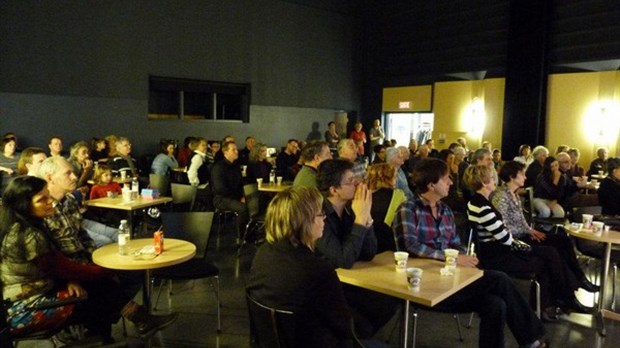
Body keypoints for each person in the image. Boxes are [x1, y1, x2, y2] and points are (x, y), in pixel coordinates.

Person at [393, 158, 548, 348]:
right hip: (424, 283)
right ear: (432, 184)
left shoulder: (445, 210)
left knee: (496, 305)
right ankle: (532, 340)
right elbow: (410, 245)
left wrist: (464, 257)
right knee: (499, 279)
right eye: (446, 178)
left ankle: (531, 341)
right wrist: (451, 257)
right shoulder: (409, 209)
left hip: (453, 278)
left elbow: (456, 243)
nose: (451, 182)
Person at [37, 157, 177, 335]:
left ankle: (110, 322)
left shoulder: (70, 201)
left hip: (82, 264)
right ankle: (129, 319)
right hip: (65, 272)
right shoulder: (42, 208)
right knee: (102, 286)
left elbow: (83, 236)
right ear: (50, 178)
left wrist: (96, 262)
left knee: (132, 273)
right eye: (68, 173)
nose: (74, 176)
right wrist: (74, 276)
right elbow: (50, 253)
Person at [0, 176, 122, 341]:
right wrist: (111, 269)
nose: (50, 201)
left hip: (17, 300)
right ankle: (102, 337)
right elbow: (66, 269)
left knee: (100, 286)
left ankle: (103, 335)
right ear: (24, 206)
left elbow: (58, 270)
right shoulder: (28, 236)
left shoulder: (16, 224)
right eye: (41, 199)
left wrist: (69, 280)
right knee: (104, 290)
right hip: (23, 311)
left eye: (48, 195)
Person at [465, 164, 591, 319]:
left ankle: (557, 301)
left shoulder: (479, 202)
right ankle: (565, 298)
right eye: (492, 178)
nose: (495, 181)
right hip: (498, 254)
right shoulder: (484, 206)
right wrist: (527, 248)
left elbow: (505, 232)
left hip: (499, 248)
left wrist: (528, 236)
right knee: (549, 254)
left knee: (550, 253)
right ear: (484, 183)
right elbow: (506, 238)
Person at [246, 186, 358, 347]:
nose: (324, 219)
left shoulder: (263, 253)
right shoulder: (318, 270)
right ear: (305, 222)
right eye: (320, 214)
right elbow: (345, 327)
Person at [315, 159, 398, 338]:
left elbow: (369, 253)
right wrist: (360, 221)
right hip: (322, 289)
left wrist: (366, 216)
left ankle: (354, 339)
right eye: (351, 181)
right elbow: (342, 260)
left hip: (346, 282)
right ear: (333, 190)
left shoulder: (349, 210)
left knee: (388, 303)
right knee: (365, 321)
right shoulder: (318, 216)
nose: (359, 184)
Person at [492, 160, 599, 292]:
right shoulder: (501, 196)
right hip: (514, 242)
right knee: (552, 250)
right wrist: (527, 231)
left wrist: (530, 229)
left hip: (523, 234)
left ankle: (580, 279)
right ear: (511, 177)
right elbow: (503, 227)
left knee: (563, 240)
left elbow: (520, 219)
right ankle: (568, 292)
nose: (525, 177)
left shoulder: (514, 194)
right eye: (522, 174)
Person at [211, 141, 249, 228]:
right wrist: (238, 198)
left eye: (236, 149)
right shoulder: (219, 167)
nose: (237, 151)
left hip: (234, 196)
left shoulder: (235, 165)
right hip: (221, 198)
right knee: (242, 208)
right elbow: (220, 188)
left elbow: (240, 184)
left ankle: (251, 229)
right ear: (225, 152)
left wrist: (243, 195)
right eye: (233, 150)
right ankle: (241, 234)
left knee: (256, 201)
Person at [367, 163, 403, 253]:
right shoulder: (398, 195)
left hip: (367, 243)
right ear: (390, 178)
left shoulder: (362, 196)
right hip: (389, 245)